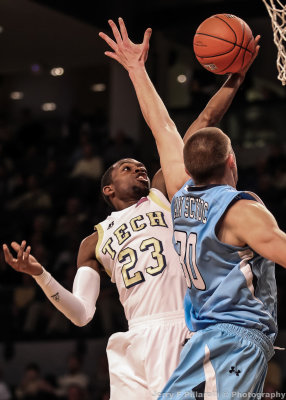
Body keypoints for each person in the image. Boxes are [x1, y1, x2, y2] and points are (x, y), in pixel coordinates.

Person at [4, 22, 255, 400]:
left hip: (181, 324)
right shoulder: (93, 242)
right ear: (107, 188)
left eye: (141, 165)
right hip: (133, 338)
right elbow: (81, 314)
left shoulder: (162, 194)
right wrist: (40, 274)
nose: (139, 168)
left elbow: (202, 124)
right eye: (127, 167)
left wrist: (235, 78)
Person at [99, 17, 285, 400]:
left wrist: (135, 68)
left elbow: (163, 126)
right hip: (233, 339)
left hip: (208, 340)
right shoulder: (240, 212)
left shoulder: (180, 197)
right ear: (232, 160)